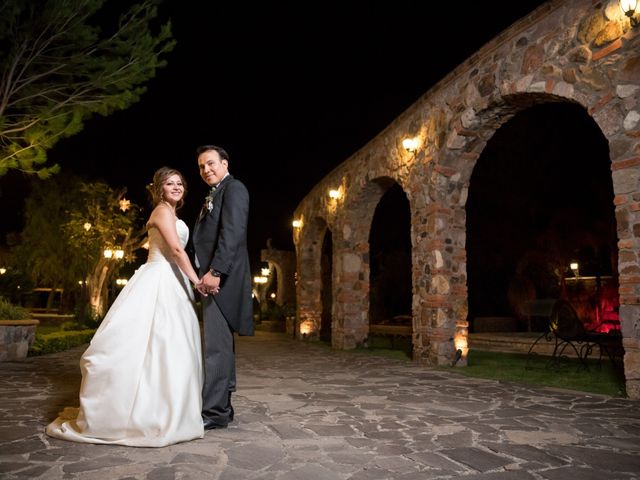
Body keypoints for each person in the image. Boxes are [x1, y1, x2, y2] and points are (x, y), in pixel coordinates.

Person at [46, 167, 205, 447]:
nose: (177, 187)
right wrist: (198, 282)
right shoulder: (161, 212)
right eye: (170, 183)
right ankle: (138, 414)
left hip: (172, 281)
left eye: (180, 183)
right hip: (157, 279)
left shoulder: (172, 213)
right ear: (160, 188)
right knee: (147, 344)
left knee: (171, 345)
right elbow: (177, 250)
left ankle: (167, 408)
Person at [192, 145, 254, 430]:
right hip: (212, 279)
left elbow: (232, 232)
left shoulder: (235, 189)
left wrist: (216, 271)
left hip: (221, 281)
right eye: (202, 166)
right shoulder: (215, 193)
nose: (206, 170)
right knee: (221, 347)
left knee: (216, 349)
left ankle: (214, 413)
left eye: (211, 163)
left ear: (225, 163)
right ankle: (222, 408)